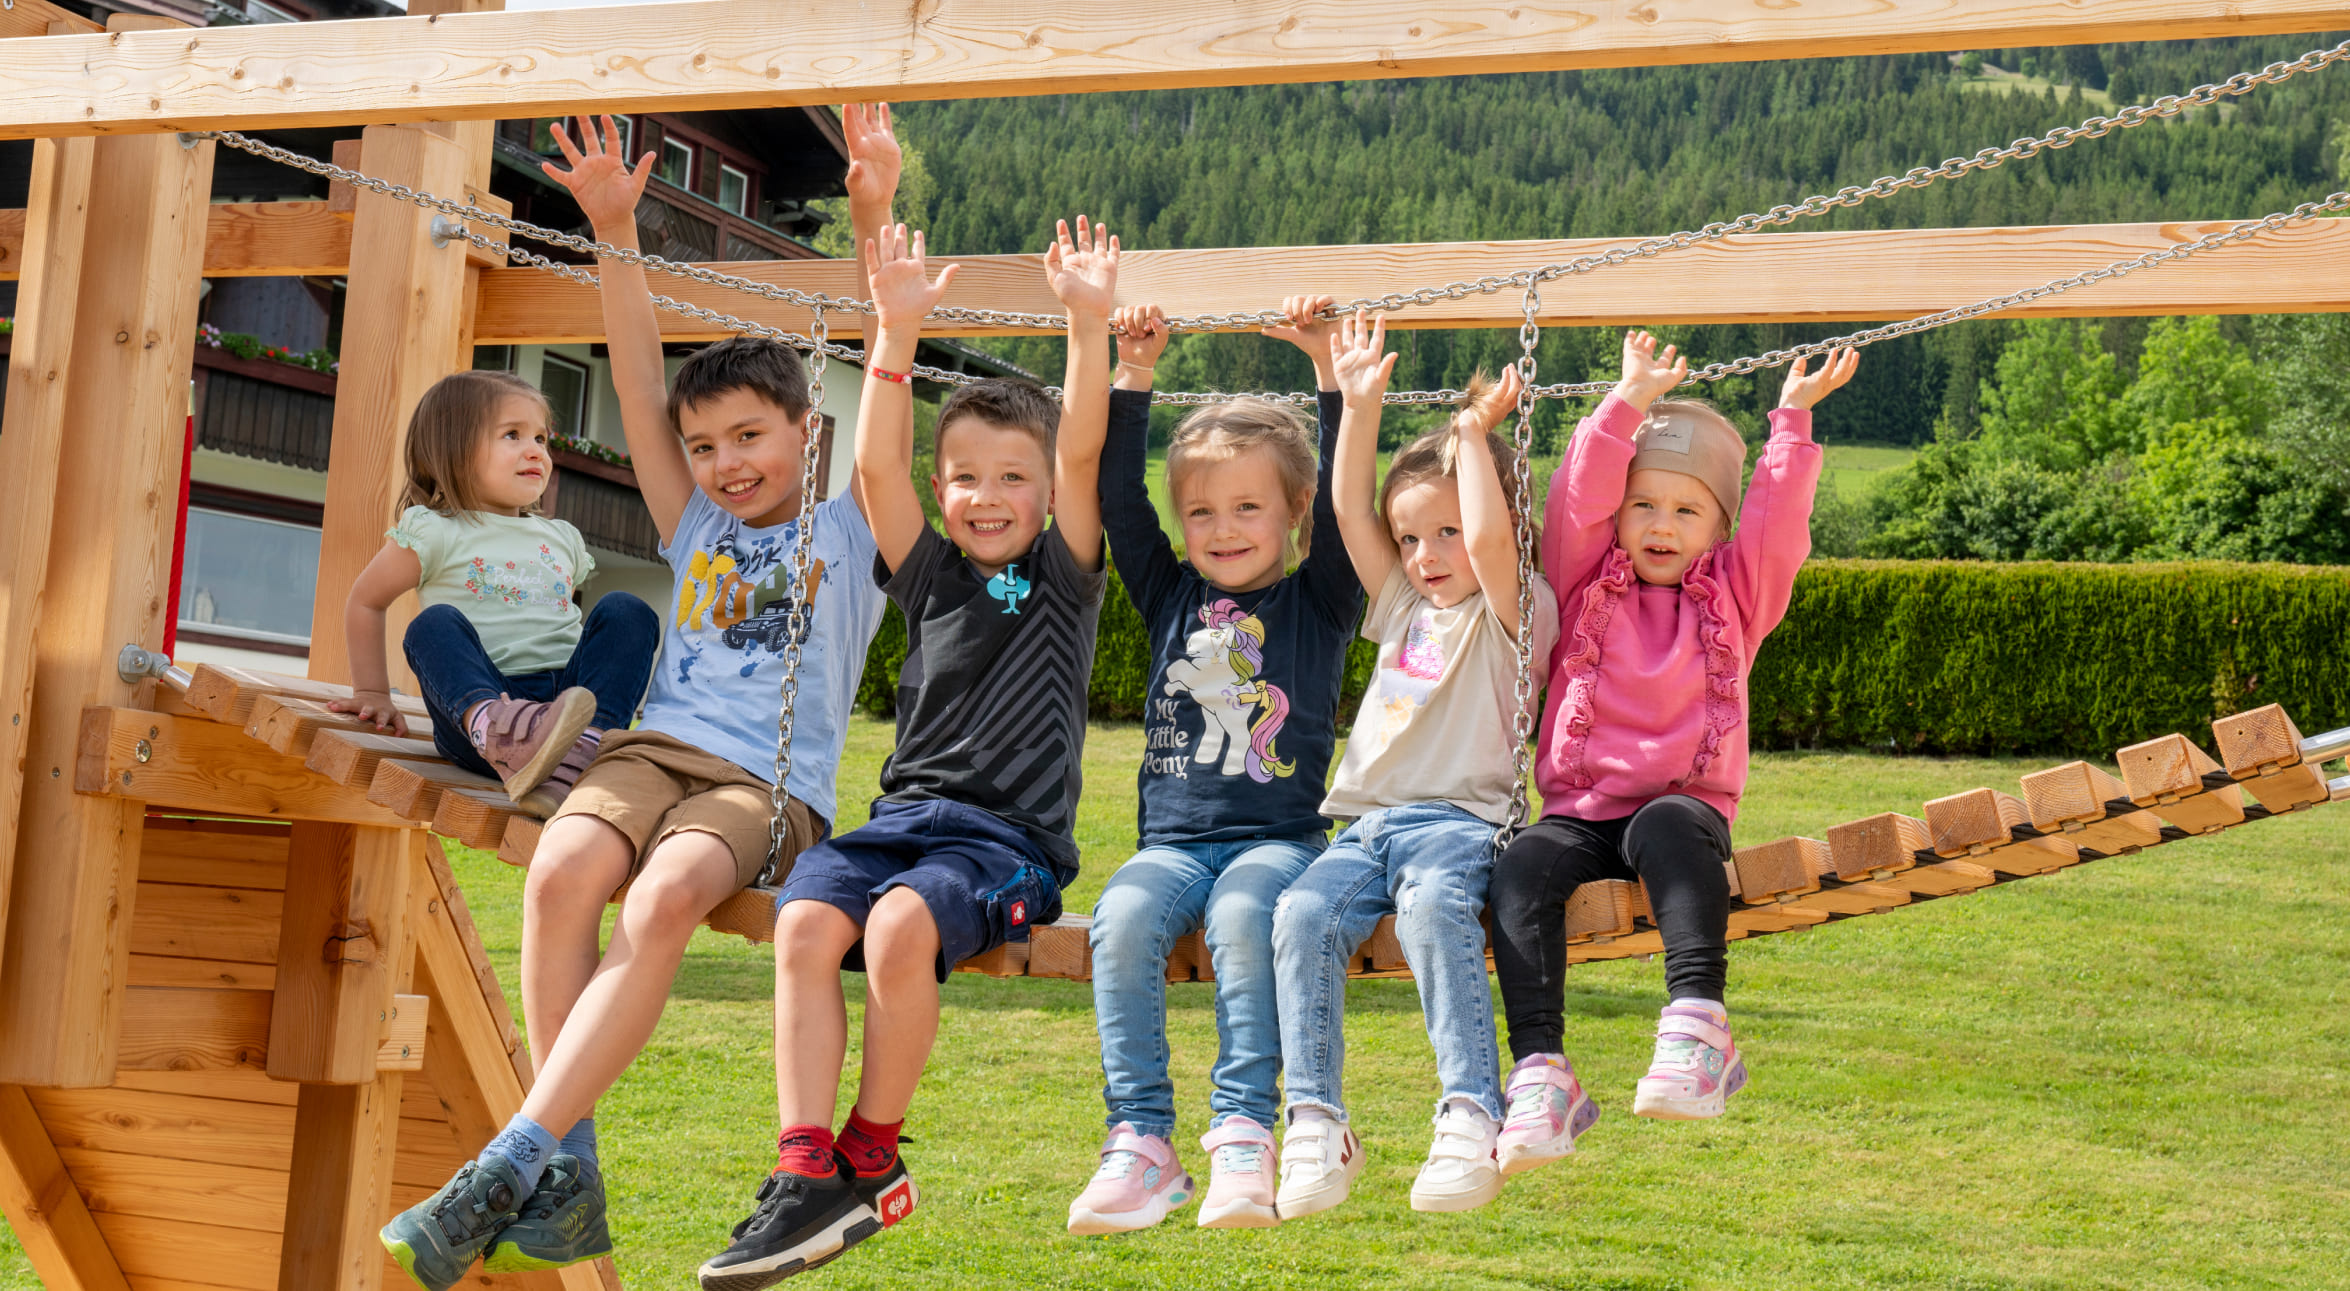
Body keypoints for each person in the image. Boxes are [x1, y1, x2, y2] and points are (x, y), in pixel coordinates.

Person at [379, 112, 894, 1291]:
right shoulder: (697, 522)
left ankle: (513, 1154)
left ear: (808, 433)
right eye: (703, 445)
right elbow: (631, 370)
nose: (724, 463)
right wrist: (614, 228)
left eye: (750, 437)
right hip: (651, 750)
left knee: (658, 899)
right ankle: (567, 1165)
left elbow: (882, 341)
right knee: (561, 873)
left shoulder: (854, 523)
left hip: (766, 788)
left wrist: (870, 213)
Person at [695, 215, 1115, 1288]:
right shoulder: (926, 572)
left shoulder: (1064, 581)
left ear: (1046, 496)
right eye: (965, 476)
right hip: (898, 824)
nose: (985, 496)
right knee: (803, 920)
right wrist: (894, 330)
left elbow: (1080, 445)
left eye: (1009, 478)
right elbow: (876, 463)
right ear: (943, 490)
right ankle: (803, 1166)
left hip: (1005, 844)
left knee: (896, 928)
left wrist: (1087, 324)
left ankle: (873, 1156)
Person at [1487, 331, 1856, 1177]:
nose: (1660, 525)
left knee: (1664, 826)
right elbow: (1576, 495)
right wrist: (1625, 405)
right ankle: (1542, 1070)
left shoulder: (1737, 591)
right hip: (1579, 813)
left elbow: (1777, 527)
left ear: (1719, 527)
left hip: (1683, 810)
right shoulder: (1585, 576)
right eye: (1643, 505)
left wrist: (1791, 427)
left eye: (1686, 511)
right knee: (1521, 868)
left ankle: (1698, 1026)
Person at [1066, 297, 1365, 1233]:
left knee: (1244, 920)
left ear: (1294, 514)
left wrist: (1329, 371)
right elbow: (1119, 498)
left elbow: (1354, 494)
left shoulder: (1321, 596)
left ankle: (1242, 1132)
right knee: (1116, 922)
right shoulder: (1169, 595)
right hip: (1172, 844)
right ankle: (1141, 1140)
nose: (1223, 527)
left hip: (1277, 840)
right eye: (1201, 510)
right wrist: (1134, 374)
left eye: (1248, 507)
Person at [1268, 312, 1560, 1218]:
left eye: (1444, 534)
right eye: (1413, 540)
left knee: (1436, 909)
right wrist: (1358, 403)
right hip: (1364, 827)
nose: (1427, 556)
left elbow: (1491, 540)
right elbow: (1351, 512)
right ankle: (1316, 1116)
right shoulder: (1403, 605)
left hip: (1459, 824)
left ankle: (1471, 1105)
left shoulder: (1515, 608)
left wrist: (1473, 434)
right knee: (1301, 910)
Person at [328, 369, 657, 816]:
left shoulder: (561, 537)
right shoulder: (436, 530)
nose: (535, 451)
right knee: (433, 624)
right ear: (455, 450)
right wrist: (372, 692)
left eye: (541, 438)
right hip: (480, 711)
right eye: (512, 435)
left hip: (565, 707)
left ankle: (586, 746)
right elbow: (366, 600)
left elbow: (559, 623)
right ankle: (500, 732)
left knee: (628, 611)